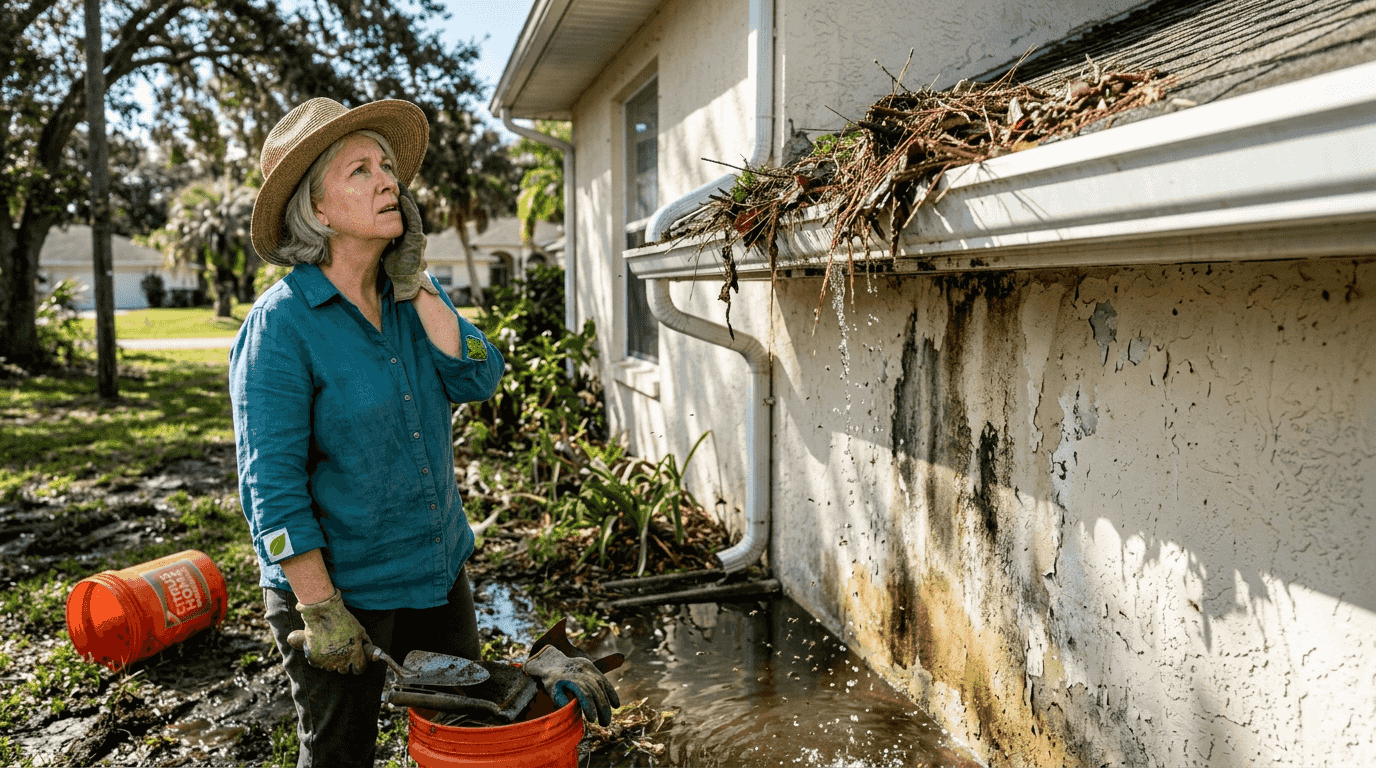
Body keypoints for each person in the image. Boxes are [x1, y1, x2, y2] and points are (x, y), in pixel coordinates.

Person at [230, 97, 614, 767]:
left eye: (387, 166)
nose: (388, 181)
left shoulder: (409, 299)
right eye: (359, 169)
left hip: (434, 575)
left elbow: (479, 376)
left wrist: (420, 285)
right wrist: (319, 606)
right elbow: (272, 487)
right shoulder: (283, 326)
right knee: (339, 755)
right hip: (338, 590)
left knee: (463, 741)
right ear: (316, 209)